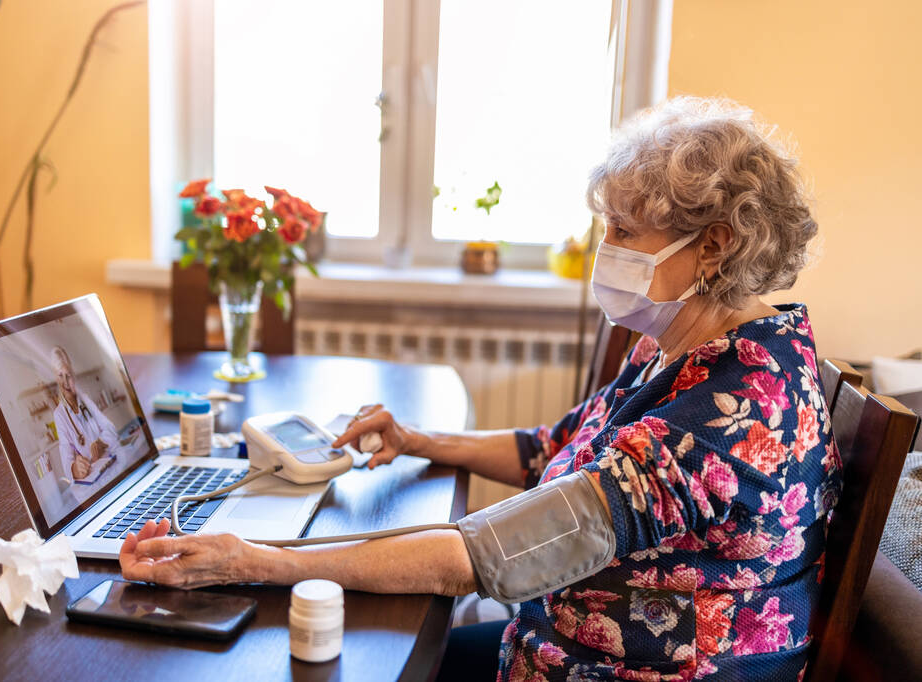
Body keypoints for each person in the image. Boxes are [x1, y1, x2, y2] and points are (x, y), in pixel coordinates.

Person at [120, 97, 838, 681]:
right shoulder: (691, 351)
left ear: (711, 246)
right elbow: (552, 450)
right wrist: (417, 440)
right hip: (573, 644)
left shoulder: (738, 412)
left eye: (624, 230)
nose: (606, 249)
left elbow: (486, 557)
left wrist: (257, 561)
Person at [50, 346, 120, 485]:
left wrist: (101, 443)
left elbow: (110, 427)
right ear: (56, 379)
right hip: (93, 478)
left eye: (68, 375)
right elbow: (66, 458)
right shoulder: (59, 415)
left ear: (73, 376)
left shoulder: (85, 399)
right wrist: (75, 469)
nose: (65, 382)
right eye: (60, 375)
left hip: (110, 465)